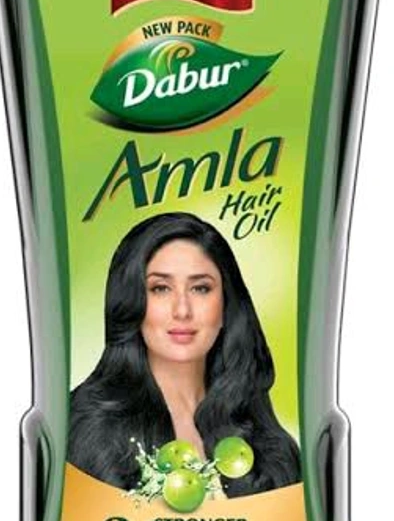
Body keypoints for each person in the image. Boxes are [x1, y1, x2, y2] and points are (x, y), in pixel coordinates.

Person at [67, 212, 301, 495]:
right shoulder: (82, 426)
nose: (182, 310)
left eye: (200, 288)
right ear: (131, 301)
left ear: (226, 304)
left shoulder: (268, 444)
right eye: (160, 288)